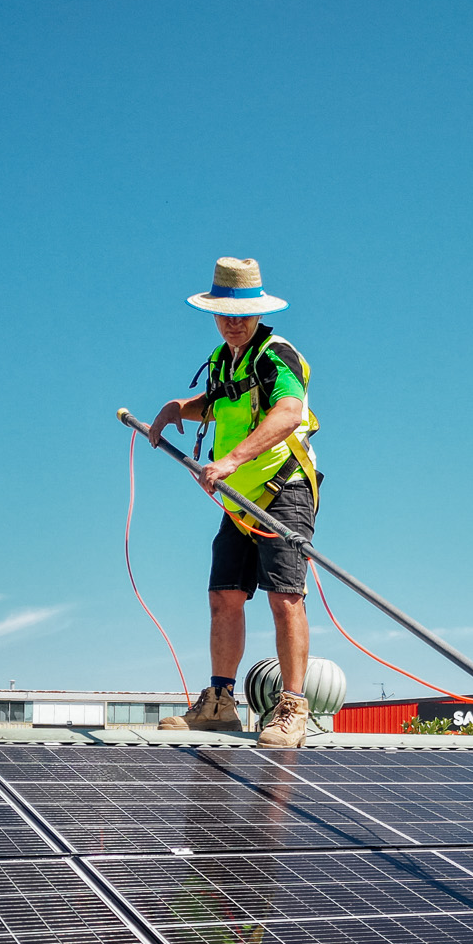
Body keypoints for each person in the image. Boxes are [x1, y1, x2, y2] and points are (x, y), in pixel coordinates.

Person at [149, 257, 319, 749]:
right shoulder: (225, 359)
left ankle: (293, 706)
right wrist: (179, 407)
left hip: (283, 491)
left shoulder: (276, 354)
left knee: (284, 597)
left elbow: (288, 413)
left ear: (258, 312)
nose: (233, 322)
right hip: (237, 501)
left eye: (242, 314)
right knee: (224, 595)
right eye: (224, 313)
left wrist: (228, 460)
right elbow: (222, 399)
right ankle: (221, 703)